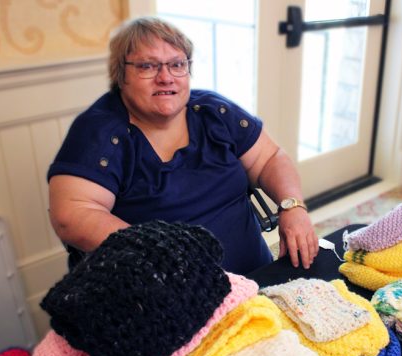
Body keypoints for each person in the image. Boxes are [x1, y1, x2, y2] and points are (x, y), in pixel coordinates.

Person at [47, 16, 318, 275]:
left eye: (177, 64)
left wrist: (292, 206)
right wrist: (158, 255)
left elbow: (270, 158)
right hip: (172, 303)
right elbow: (72, 215)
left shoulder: (214, 112)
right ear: (121, 75)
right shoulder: (100, 133)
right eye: (148, 66)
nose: (166, 77)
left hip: (256, 279)